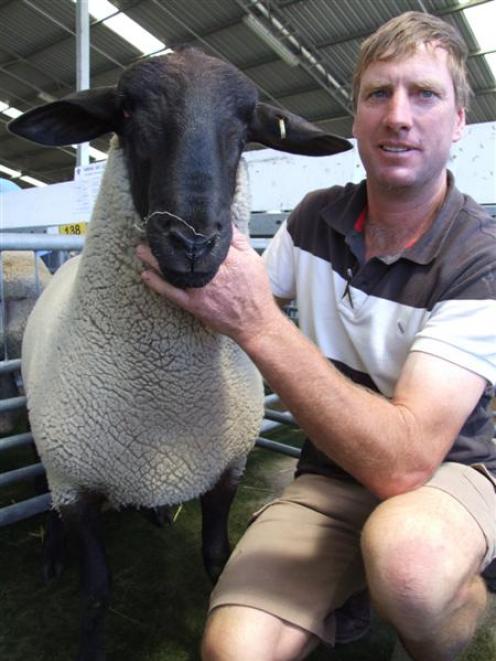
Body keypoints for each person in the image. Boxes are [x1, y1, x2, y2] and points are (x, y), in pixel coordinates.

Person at [137, 11, 496, 661]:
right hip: (330, 474)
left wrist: (257, 321)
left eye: (425, 94)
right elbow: (231, 298)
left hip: (444, 474)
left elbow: (405, 459)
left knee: (410, 564)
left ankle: (462, 593)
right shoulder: (313, 220)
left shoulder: (480, 260)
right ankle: (351, 579)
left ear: (460, 122)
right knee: (232, 650)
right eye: (377, 94)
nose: (398, 116)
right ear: (356, 117)